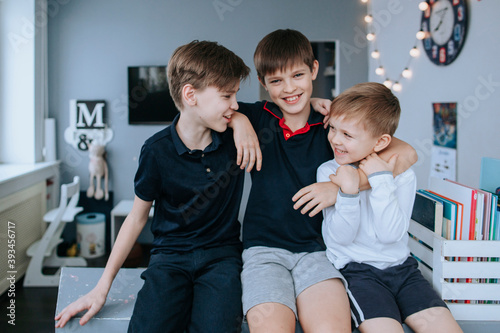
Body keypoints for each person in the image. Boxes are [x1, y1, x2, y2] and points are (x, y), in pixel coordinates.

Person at [55, 40, 262, 333]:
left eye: (236, 96)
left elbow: (286, 106)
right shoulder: (155, 151)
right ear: (190, 95)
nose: (235, 104)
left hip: (222, 257)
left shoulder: (234, 128)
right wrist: (102, 285)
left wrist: (243, 120)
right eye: (227, 95)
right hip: (170, 256)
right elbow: (137, 217)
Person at [236, 29, 418, 333]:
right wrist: (239, 121)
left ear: (314, 71)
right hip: (263, 249)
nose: (289, 88)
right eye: (276, 81)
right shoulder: (256, 117)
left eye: (298, 75)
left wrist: (340, 187)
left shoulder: (333, 128)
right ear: (262, 82)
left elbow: (407, 153)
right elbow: (209, 111)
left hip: (320, 252)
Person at [318, 82, 463, 333]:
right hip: (357, 272)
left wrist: (381, 180)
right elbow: (340, 239)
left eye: (347, 135)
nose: (335, 140)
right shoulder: (329, 171)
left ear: (381, 141)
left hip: (403, 270)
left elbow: (390, 235)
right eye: (333, 128)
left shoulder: (402, 174)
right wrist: (348, 193)